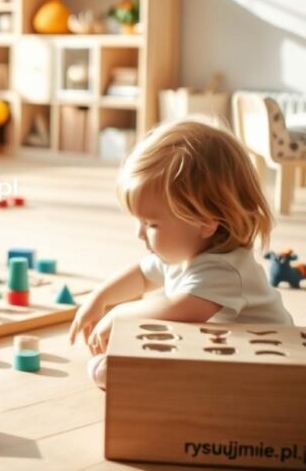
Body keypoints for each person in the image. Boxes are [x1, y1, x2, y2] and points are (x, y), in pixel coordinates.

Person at [69, 119, 292, 389]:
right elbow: (141, 275)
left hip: (271, 369)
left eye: (151, 224)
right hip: (226, 348)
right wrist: (100, 298)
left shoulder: (225, 271)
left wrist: (119, 313)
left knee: (119, 368)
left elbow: (179, 310)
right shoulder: (184, 252)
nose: (139, 234)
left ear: (205, 222)